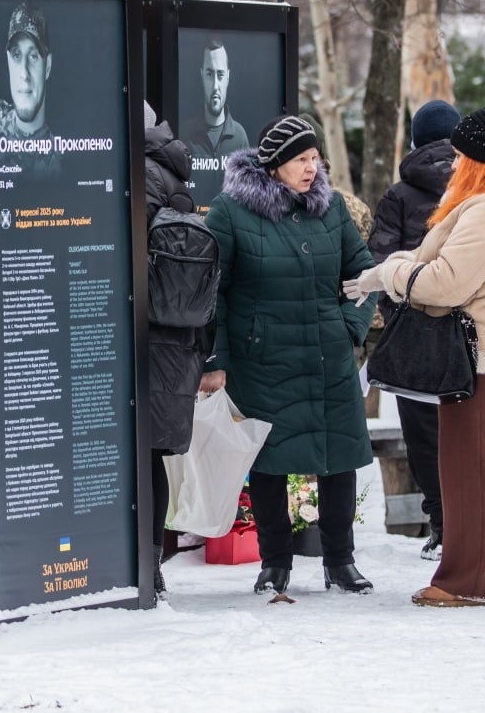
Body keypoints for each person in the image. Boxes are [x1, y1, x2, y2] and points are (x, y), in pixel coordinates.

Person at [348, 107, 485, 607]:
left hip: (480, 352)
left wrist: (387, 275)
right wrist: (389, 269)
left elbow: (446, 282)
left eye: (460, 154)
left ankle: (470, 581)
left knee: (468, 469)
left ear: (479, 158)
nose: (453, 162)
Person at [200, 115, 376, 595]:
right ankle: (274, 562)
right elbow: (213, 291)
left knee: (338, 459)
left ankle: (340, 562)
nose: (311, 168)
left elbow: (364, 273)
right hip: (264, 359)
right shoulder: (231, 211)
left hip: (327, 355)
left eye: (315, 158)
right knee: (269, 464)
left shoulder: (332, 207)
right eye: (301, 159)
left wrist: (349, 327)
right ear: (274, 163)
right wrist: (217, 360)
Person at [367, 99, 459, 560]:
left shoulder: (399, 195)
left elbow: (380, 262)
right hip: (470, 334)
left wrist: (399, 310)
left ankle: (441, 523)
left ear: (417, 140)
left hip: (415, 331)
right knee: (468, 430)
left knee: (422, 432)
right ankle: (470, 522)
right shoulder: (476, 188)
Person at [141, 101, 209, 599]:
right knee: (152, 456)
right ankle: (151, 565)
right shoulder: (169, 171)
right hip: (175, 341)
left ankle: (145, 567)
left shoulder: (142, 173)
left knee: (140, 457)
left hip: (146, 338)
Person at [0, 1, 52, 142]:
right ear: (8, 61)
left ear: (47, 66)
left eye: (33, 56)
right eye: (16, 55)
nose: (24, 74)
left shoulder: (58, 157)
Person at [180, 38, 250, 159]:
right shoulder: (185, 135)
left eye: (220, 75)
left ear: (228, 77)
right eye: (210, 74)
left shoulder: (240, 137)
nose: (215, 86)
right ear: (202, 75)